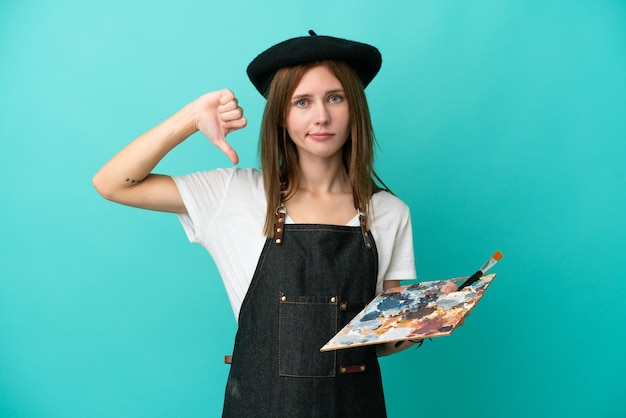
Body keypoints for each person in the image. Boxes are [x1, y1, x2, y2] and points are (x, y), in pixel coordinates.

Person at [93, 30, 452, 417]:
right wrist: (192, 117)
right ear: (281, 115)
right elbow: (113, 183)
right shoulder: (234, 194)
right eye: (302, 102)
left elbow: (378, 343)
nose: (322, 116)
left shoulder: (389, 212)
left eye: (335, 97)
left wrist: (424, 321)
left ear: (355, 108)